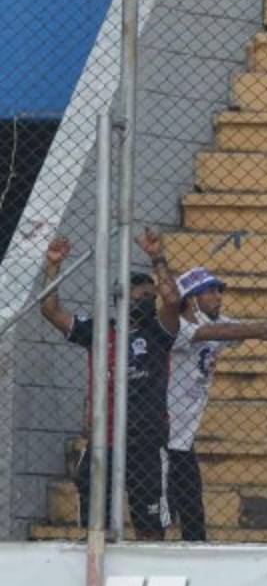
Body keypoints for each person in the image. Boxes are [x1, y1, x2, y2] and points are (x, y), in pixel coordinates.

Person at [40, 230, 182, 540]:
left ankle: (148, 573)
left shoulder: (159, 332)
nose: (145, 302)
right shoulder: (99, 331)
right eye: (139, 296)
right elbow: (50, 310)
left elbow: (173, 299)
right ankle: (96, 574)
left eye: (149, 297)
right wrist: (53, 266)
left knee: (150, 527)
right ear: (121, 298)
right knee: (95, 525)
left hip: (146, 440)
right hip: (103, 439)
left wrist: (157, 257)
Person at [166, 267, 267, 541]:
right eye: (209, 291)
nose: (218, 296)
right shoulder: (179, 327)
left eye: (219, 290)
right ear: (190, 298)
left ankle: (195, 554)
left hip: (183, 435)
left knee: (192, 508)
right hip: (162, 432)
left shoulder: (217, 323)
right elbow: (236, 330)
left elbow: (261, 334)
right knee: (164, 510)